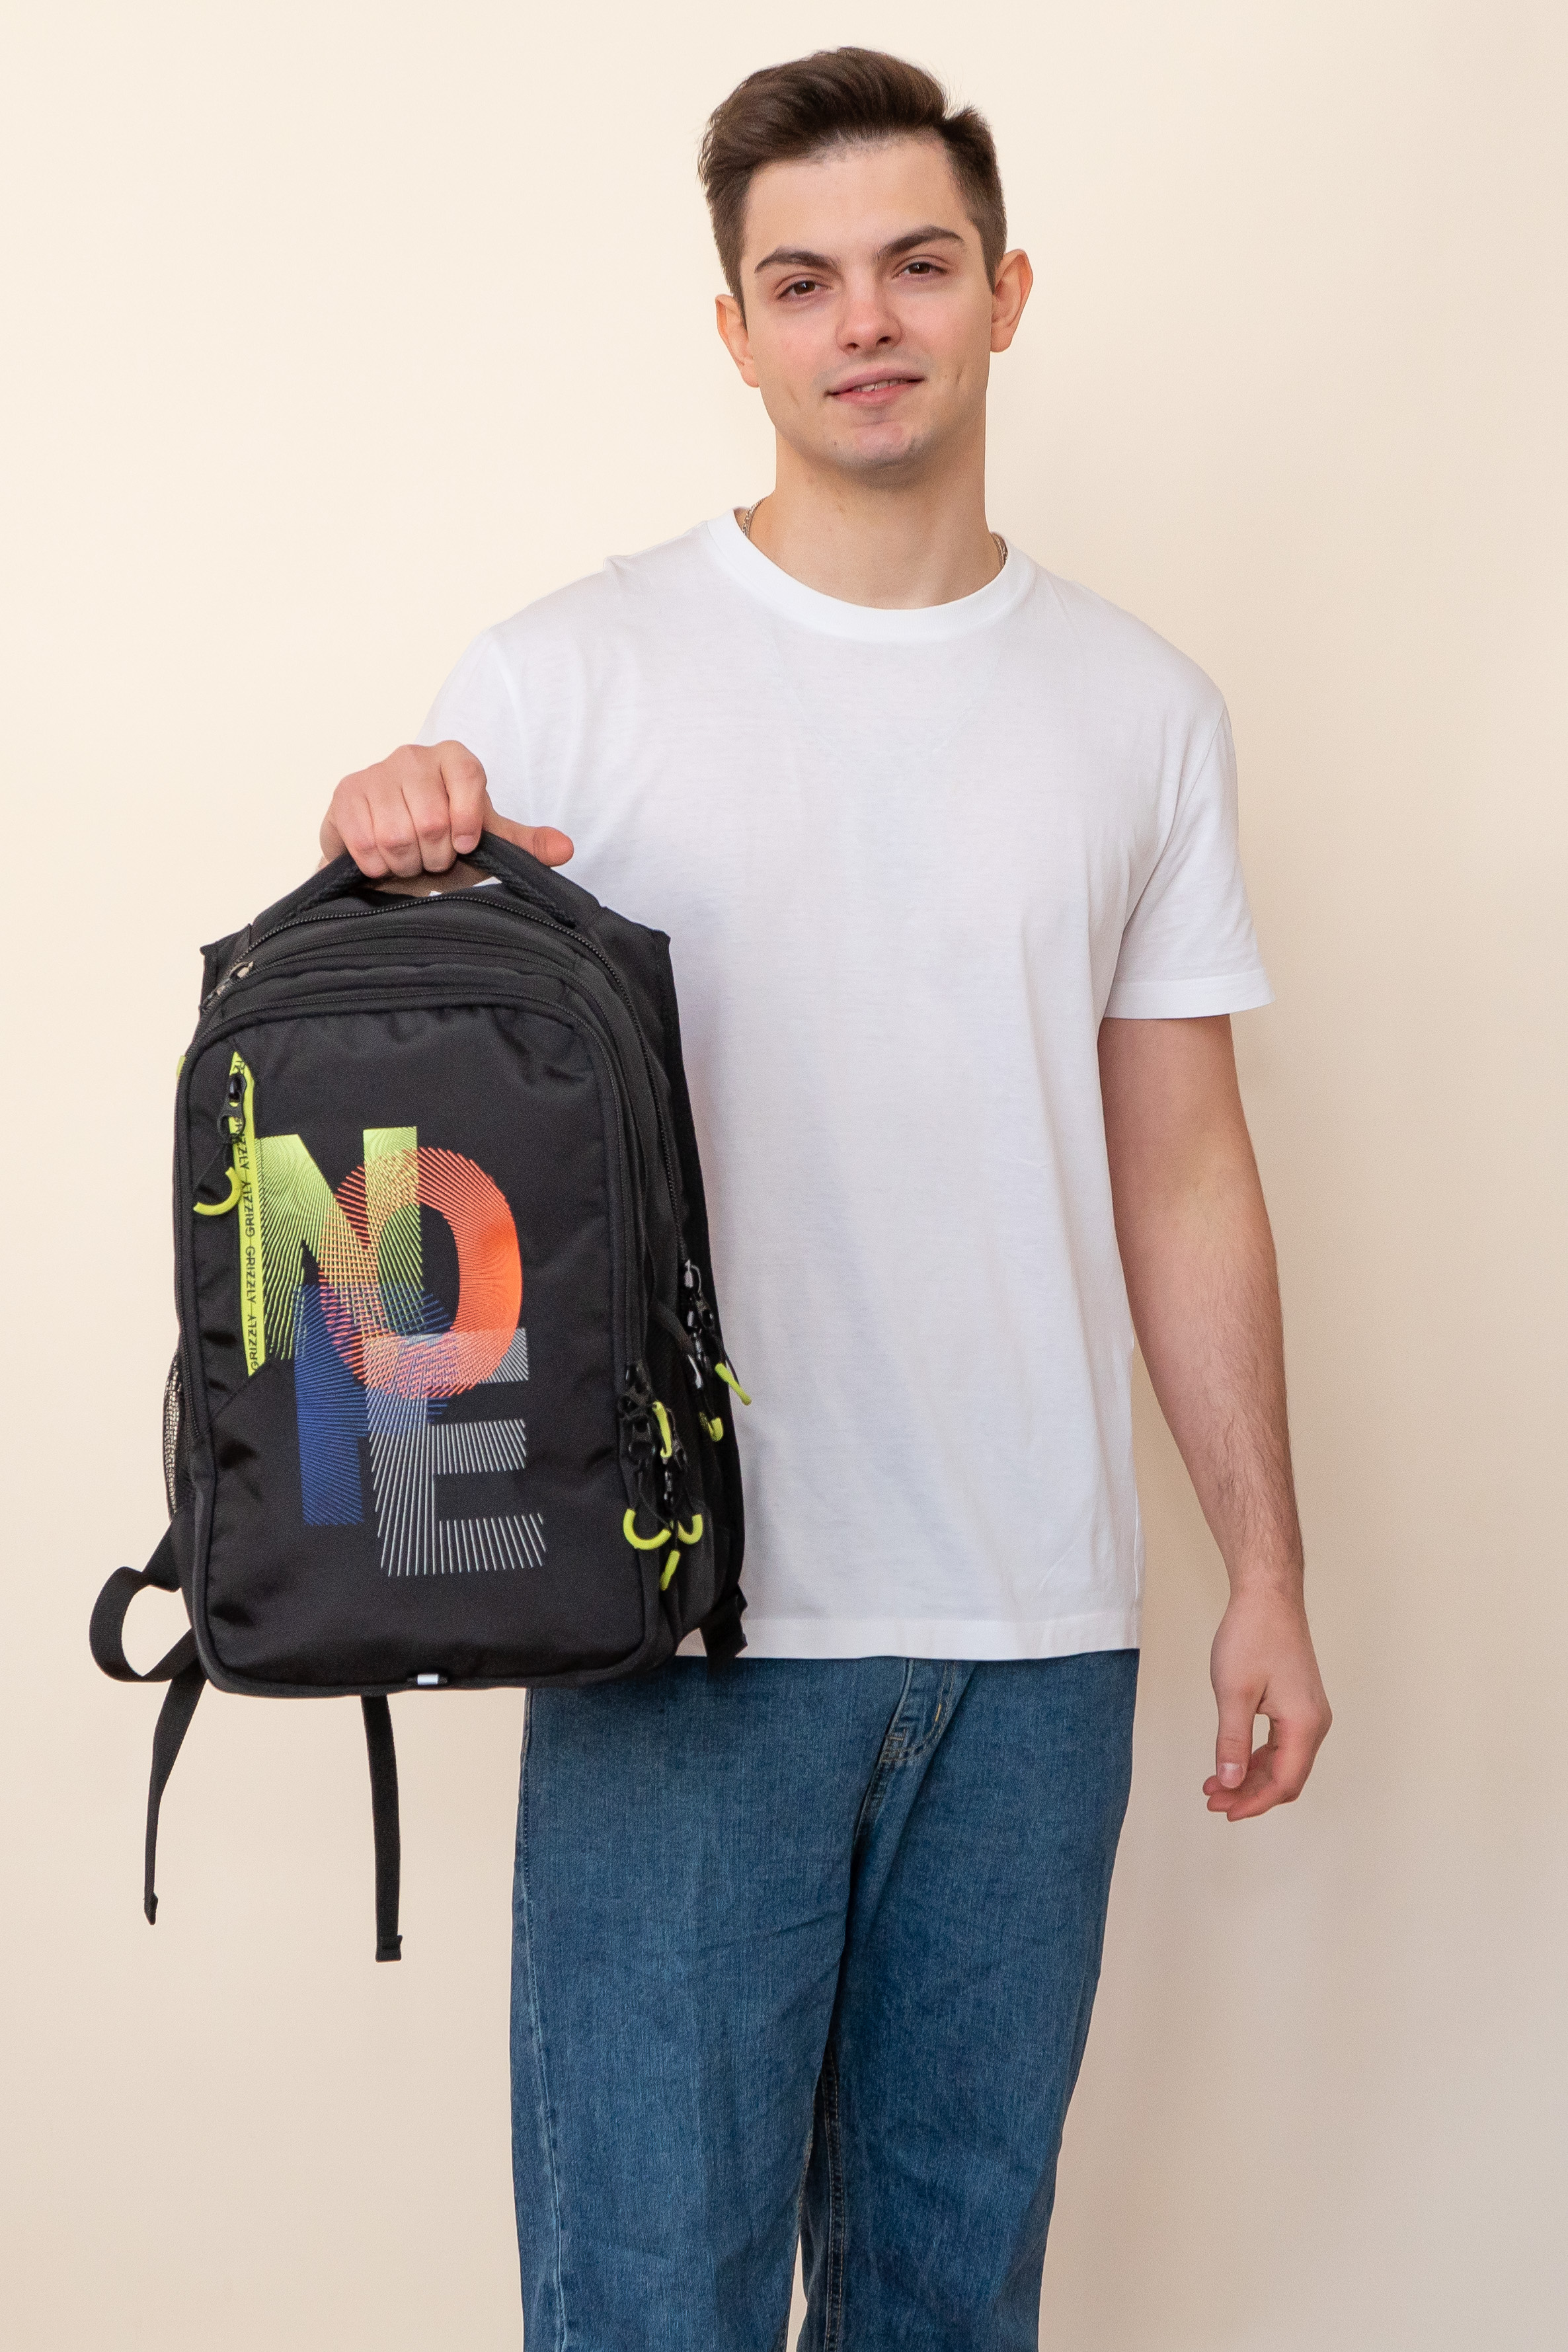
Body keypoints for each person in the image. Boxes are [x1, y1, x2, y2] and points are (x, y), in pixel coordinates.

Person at [321, 48, 1331, 2351]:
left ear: (1004, 295)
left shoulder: (1139, 710)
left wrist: (1263, 1571)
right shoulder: (563, 677)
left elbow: (1185, 1165)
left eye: (913, 266)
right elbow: (390, 1160)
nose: (861, 320)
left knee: (952, 2306)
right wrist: (383, 863)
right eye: (801, 282)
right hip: (684, 1625)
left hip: (1038, 1640)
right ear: (735, 331)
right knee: (644, 2310)